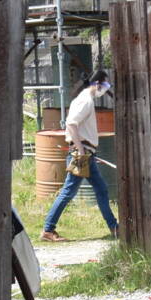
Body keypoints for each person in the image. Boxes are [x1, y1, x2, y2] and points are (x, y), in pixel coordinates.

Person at [42, 72, 118, 241]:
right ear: (97, 84)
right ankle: (48, 229)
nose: (106, 89)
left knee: (101, 189)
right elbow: (71, 124)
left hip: (86, 154)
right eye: (106, 85)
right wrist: (81, 150)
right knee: (68, 192)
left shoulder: (84, 99)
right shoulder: (85, 100)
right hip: (81, 154)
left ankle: (114, 227)